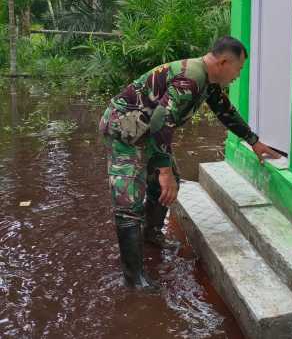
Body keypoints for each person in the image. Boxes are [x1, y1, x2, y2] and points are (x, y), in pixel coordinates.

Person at [99, 36, 279, 290]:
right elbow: (161, 119)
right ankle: (133, 278)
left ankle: (151, 234)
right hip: (124, 131)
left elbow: (225, 111)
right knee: (129, 200)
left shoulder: (207, 80)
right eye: (238, 69)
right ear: (224, 62)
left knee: (167, 184)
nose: (238, 75)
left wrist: (254, 141)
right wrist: (163, 171)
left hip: (147, 132)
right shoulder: (192, 77)